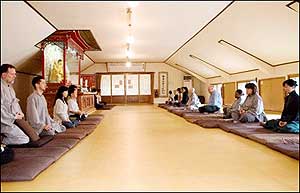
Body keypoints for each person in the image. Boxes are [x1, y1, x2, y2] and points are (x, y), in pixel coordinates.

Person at [0, 64, 37, 145]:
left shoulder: (10, 87)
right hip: (4, 122)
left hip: (12, 120)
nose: (15, 76)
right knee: (24, 139)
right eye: (12, 74)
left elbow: (14, 103)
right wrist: (13, 117)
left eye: (15, 74)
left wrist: (20, 113)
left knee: (33, 136)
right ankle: (2, 141)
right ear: (3, 75)